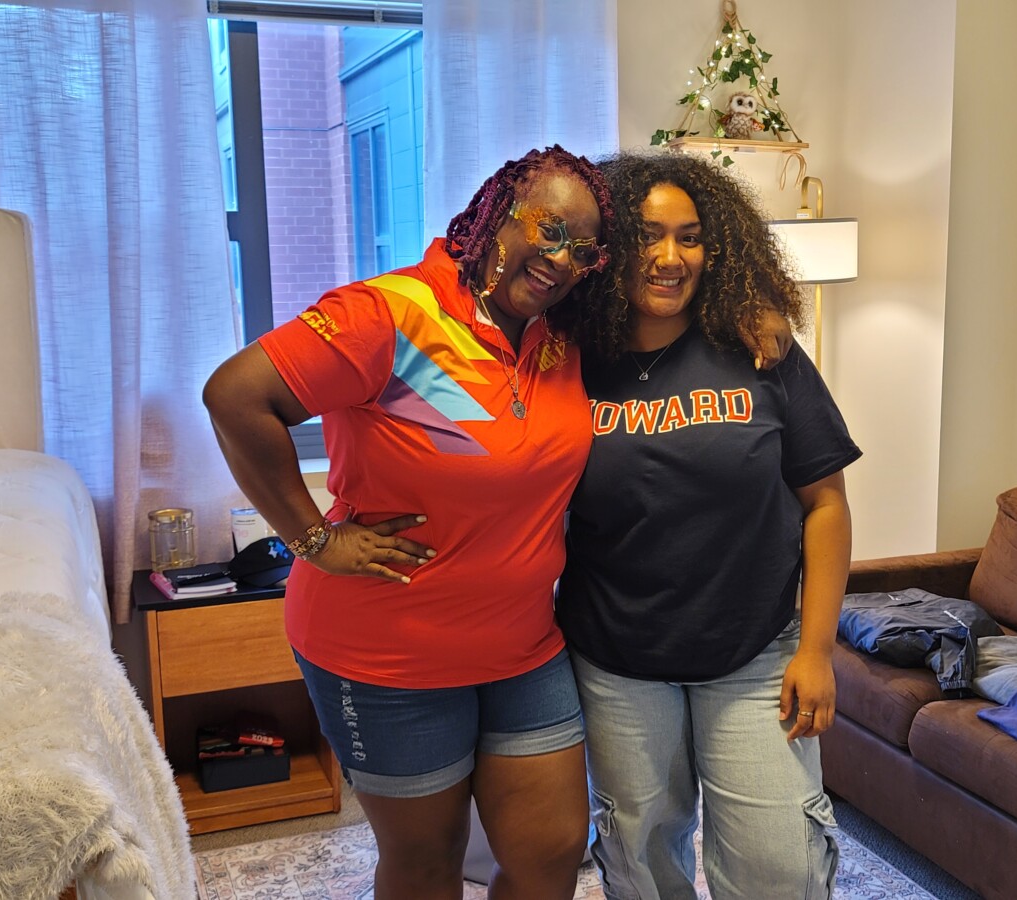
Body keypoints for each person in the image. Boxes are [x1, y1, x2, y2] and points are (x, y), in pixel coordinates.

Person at [203, 144, 792, 900]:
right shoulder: (391, 316)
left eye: (582, 249)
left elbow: (666, 312)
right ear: (495, 212)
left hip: (522, 645)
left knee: (549, 855)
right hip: (388, 656)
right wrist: (312, 537)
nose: (559, 258)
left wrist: (753, 304)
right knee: (426, 865)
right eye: (547, 229)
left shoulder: (566, 333)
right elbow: (235, 396)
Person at [556, 150, 862, 900]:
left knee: (779, 868)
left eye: (690, 237)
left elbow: (826, 504)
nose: (670, 257)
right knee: (641, 856)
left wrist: (817, 649)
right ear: (610, 248)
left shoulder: (759, 349)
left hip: (754, 653)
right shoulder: (566, 358)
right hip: (618, 659)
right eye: (648, 236)